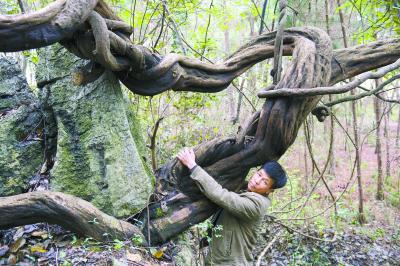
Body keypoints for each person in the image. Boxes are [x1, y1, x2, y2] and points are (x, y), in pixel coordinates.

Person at [177, 148, 287, 266]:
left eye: (264, 182)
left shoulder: (256, 206)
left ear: (270, 190)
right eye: (259, 174)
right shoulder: (244, 188)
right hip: (217, 260)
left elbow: (221, 195)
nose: (257, 181)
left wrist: (192, 165)